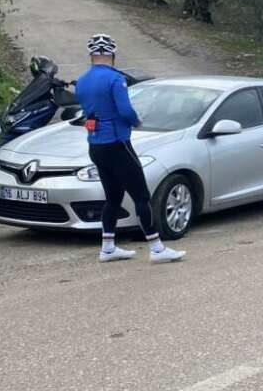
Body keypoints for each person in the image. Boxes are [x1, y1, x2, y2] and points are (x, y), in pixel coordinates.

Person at [74, 34, 185, 264]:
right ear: (112, 55)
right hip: (118, 144)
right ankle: (156, 248)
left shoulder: (82, 81)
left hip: (95, 145)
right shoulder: (116, 79)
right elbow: (125, 110)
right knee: (142, 196)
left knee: (113, 197)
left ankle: (107, 247)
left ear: (92, 55)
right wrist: (137, 121)